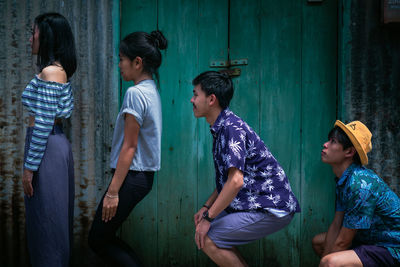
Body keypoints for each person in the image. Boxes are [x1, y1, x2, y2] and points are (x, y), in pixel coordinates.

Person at [191, 71, 300, 267]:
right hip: (254, 202)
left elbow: (235, 182)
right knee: (210, 232)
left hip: (270, 207)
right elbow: (230, 179)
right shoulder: (223, 126)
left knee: (209, 237)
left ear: (211, 99)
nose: (192, 100)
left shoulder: (231, 128)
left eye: (195, 94)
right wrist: (207, 207)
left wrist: (208, 217)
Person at [88, 30, 167, 266]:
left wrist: (112, 192)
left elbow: (130, 147)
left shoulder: (135, 93)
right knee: (104, 237)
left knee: (97, 240)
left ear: (137, 62)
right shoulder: (151, 90)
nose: (119, 64)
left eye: (121, 59)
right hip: (141, 178)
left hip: (132, 177)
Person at [21, 12, 77, 266]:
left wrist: (29, 168)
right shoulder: (57, 71)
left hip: (46, 147)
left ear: (47, 38)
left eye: (33, 33)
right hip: (50, 145)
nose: (29, 38)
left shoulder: (51, 72)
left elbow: (43, 122)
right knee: (48, 221)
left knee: (48, 224)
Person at [312, 120, 400, 267]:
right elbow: (336, 224)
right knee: (319, 243)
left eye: (333, 141)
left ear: (349, 151)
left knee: (331, 262)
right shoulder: (344, 180)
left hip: (392, 247)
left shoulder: (360, 185)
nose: (325, 145)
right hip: (370, 240)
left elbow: (343, 242)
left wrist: (327, 262)